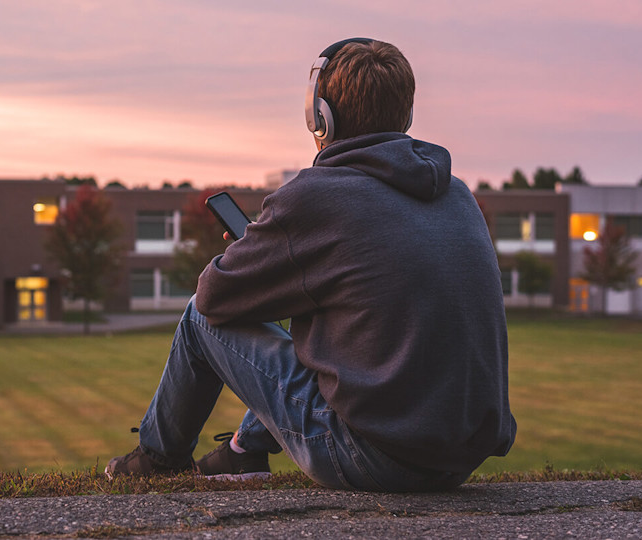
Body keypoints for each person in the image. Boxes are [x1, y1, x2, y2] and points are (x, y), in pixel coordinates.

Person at [105, 38, 516, 491]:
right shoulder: (456, 194)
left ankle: (158, 459)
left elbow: (215, 297)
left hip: (371, 458)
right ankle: (244, 449)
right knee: (332, 324)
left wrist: (250, 257)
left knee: (199, 317)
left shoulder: (317, 196)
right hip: (457, 460)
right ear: (407, 115)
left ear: (320, 116)